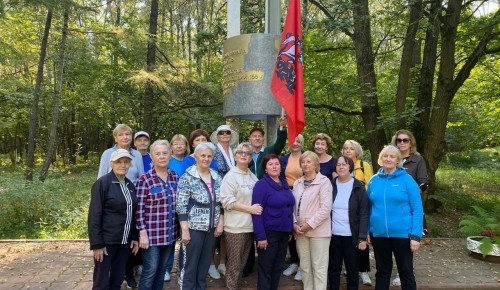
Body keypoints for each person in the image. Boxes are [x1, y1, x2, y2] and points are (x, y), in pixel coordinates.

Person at [367, 145, 423, 290]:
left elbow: (417, 209)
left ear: (398, 160)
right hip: (379, 234)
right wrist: (367, 231)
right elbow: (368, 208)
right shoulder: (374, 180)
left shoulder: (407, 180)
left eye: (392, 156)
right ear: (381, 158)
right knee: (382, 272)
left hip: (403, 234)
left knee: (406, 273)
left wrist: (416, 236)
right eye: (385, 156)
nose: (388, 159)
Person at [88, 149, 139, 290]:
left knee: (117, 280)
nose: (122, 165)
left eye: (126, 162)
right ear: (111, 163)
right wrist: (97, 244)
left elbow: (133, 212)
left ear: (130, 165)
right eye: (118, 161)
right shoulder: (103, 184)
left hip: (124, 242)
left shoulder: (130, 185)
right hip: (106, 242)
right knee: (101, 282)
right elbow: (94, 215)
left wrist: (134, 236)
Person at [176, 142, 224, 290]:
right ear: (196, 156)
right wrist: (185, 230)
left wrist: (220, 223)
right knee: (190, 265)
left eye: (209, 156)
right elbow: (181, 205)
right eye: (203, 155)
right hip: (193, 229)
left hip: (211, 228)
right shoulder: (187, 177)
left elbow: (221, 203)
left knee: (203, 265)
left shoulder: (217, 177)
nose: (206, 158)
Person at [244, 117, 287, 276]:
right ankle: (247, 266)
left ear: (263, 139)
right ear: (250, 139)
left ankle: (266, 264)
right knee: (248, 231)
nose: (257, 138)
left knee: (261, 226)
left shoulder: (268, 151)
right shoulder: (245, 154)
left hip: (264, 195)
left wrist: (281, 129)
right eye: (254, 136)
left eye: (259, 136)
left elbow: (280, 144)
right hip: (246, 197)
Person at [136, 140, 179, 290]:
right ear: (152, 157)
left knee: (162, 270)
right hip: (151, 235)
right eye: (157, 153)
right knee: (150, 269)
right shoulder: (145, 179)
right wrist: (142, 233)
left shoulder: (175, 177)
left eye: (165, 153)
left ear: (170, 155)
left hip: (170, 232)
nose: (162, 156)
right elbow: (139, 209)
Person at [220, 142, 263, 290]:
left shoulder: (252, 176)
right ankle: (232, 287)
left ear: (251, 158)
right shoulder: (230, 176)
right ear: (236, 156)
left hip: (249, 227)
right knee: (234, 264)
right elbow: (227, 201)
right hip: (235, 227)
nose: (244, 155)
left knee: (243, 263)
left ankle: (236, 286)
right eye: (240, 153)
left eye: (247, 153)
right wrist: (250, 209)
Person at [391, 129, 429, 287]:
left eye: (405, 140)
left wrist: (410, 193)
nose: (401, 143)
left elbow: (423, 184)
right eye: (399, 140)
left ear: (411, 142)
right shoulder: (390, 158)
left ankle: (404, 272)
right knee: (394, 240)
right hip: (392, 207)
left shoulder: (417, 160)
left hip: (410, 207)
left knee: (409, 241)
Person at [252, 153, 295, 290]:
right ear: (265, 168)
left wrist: (289, 230)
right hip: (268, 234)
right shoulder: (261, 185)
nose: (274, 166)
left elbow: (288, 207)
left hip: (283, 233)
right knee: (266, 269)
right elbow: (257, 212)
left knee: (277, 268)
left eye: (277, 164)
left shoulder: (284, 183)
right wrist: (260, 236)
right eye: (270, 164)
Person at [328, 156, 369, 290]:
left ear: (350, 167)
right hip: (333, 235)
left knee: (352, 270)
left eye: (344, 164)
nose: (341, 167)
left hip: (352, 236)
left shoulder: (358, 186)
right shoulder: (330, 184)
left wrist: (362, 237)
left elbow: (364, 213)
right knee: (333, 269)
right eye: (338, 165)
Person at [293, 151, 333, 290]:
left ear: (316, 164)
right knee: (304, 267)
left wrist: (308, 225)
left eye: (309, 161)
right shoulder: (298, 182)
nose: (305, 164)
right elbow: (292, 206)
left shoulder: (324, 182)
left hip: (319, 232)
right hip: (300, 232)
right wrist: (294, 224)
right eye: (303, 162)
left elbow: (326, 209)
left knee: (319, 268)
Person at [208, 125, 239, 279]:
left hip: (233, 194)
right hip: (217, 193)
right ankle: (211, 264)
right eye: (222, 132)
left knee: (227, 231)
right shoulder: (213, 151)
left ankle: (222, 263)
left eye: (228, 132)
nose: (225, 134)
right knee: (215, 230)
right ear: (217, 135)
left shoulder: (235, 151)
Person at [342, 140, 374, 286]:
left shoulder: (363, 165)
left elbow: (370, 184)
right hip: (344, 209)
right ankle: (350, 268)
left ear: (357, 151)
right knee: (347, 242)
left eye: (351, 148)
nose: (348, 151)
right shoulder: (341, 164)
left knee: (361, 240)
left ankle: (363, 271)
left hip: (360, 207)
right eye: (345, 148)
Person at [281, 134, 304, 281]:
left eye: (298, 141)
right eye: (292, 141)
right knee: (290, 227)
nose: (295, 143)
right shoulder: (283, 159)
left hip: (303, 194)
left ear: (302, 143)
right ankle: (294, 262)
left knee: (301, 227)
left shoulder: (307, 157)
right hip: (287, 194)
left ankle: (303, 265)